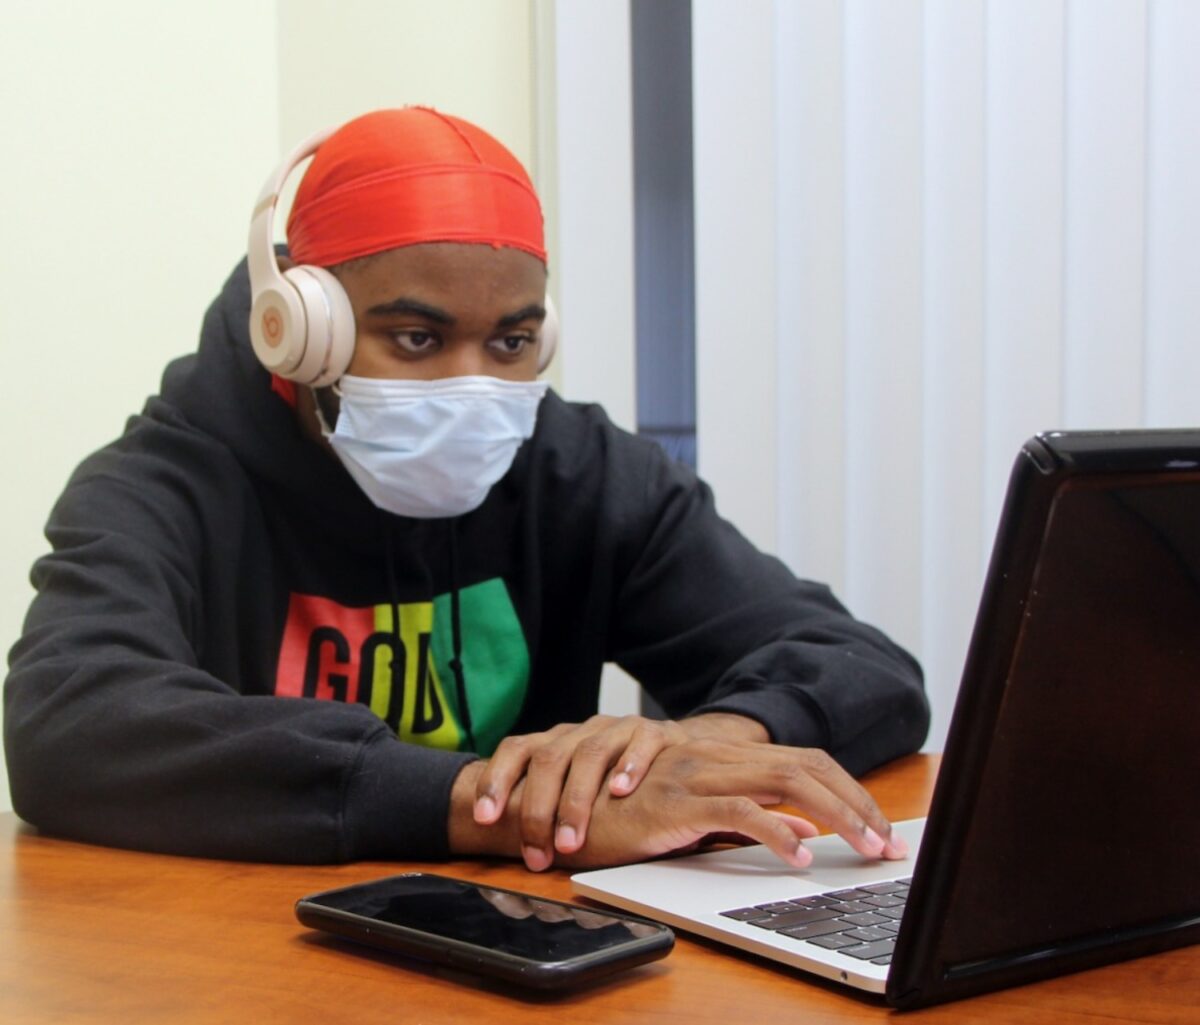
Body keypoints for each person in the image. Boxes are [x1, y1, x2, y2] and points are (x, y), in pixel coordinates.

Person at [3, 108, 928, 872]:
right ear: (296, 329)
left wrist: (705, 742)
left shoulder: (580, 471)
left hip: (527, 956)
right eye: (415, 337)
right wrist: (492, 805)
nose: (470, 382)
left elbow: (865, 666)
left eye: (512, 342)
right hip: (251, 962)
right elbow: (69, 719)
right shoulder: (164, 480)